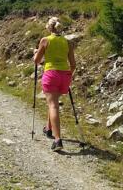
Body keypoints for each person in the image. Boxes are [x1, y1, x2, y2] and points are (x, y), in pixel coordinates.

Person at [33, 17, 75, 151]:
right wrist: (68, 74)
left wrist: (36, 54)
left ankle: (57, 140)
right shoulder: (67, 42)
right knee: (53, 103)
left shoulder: (45, 40)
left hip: (51, 74)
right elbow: (73, 64)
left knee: (53, 105)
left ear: (49, 28)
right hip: (65, 75)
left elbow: (37, 60)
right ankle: (48, 129)